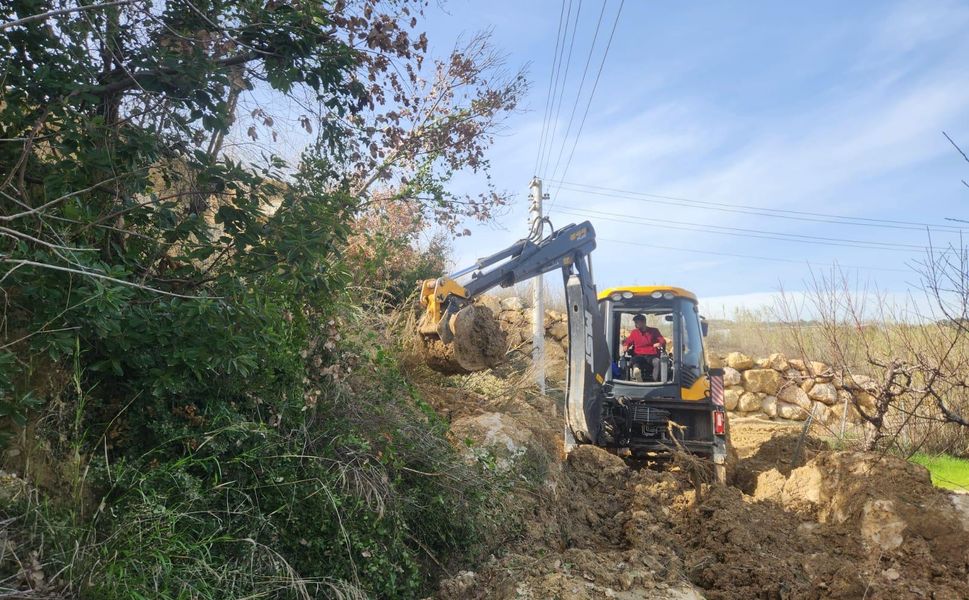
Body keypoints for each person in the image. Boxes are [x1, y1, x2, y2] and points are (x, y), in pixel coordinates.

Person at [623, 314, 667, 382]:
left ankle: (654, 381)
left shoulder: (654, 331)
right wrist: (626, 345)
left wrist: (660, 343)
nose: (635, 324)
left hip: (651, 355)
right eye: (635, 323)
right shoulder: (634, 332)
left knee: (657, 362)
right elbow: (628, 341)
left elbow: (662, 340)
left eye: (637, 323)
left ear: (643, 322)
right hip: (638, 355)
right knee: (634, 360)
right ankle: (637, 373)